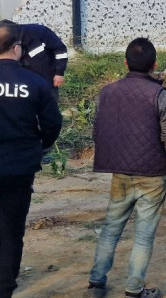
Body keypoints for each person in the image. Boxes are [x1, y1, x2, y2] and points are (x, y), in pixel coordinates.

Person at [83, 38, 166, 298]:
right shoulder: (160, 95)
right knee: (143, 236)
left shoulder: (108, 92)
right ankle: (134, 290)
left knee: (110, 229)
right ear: (155, 65)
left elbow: (99, 130)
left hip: (120, 173)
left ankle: (96, 285)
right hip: (153, 174)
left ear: (125, 63)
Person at [0, 21, 62, 298]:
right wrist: (42, 145)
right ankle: (5, 286)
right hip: (19, 167)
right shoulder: (35, 82)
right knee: (12, 229)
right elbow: (52, 124)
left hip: (18, 163)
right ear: (16, 48)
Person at [0, 20, 69, 101]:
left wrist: (59, 73)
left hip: (46, 80)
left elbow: (60, 49)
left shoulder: (38, 31)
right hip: (21, 85)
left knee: (49, 105)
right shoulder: (4, 41)